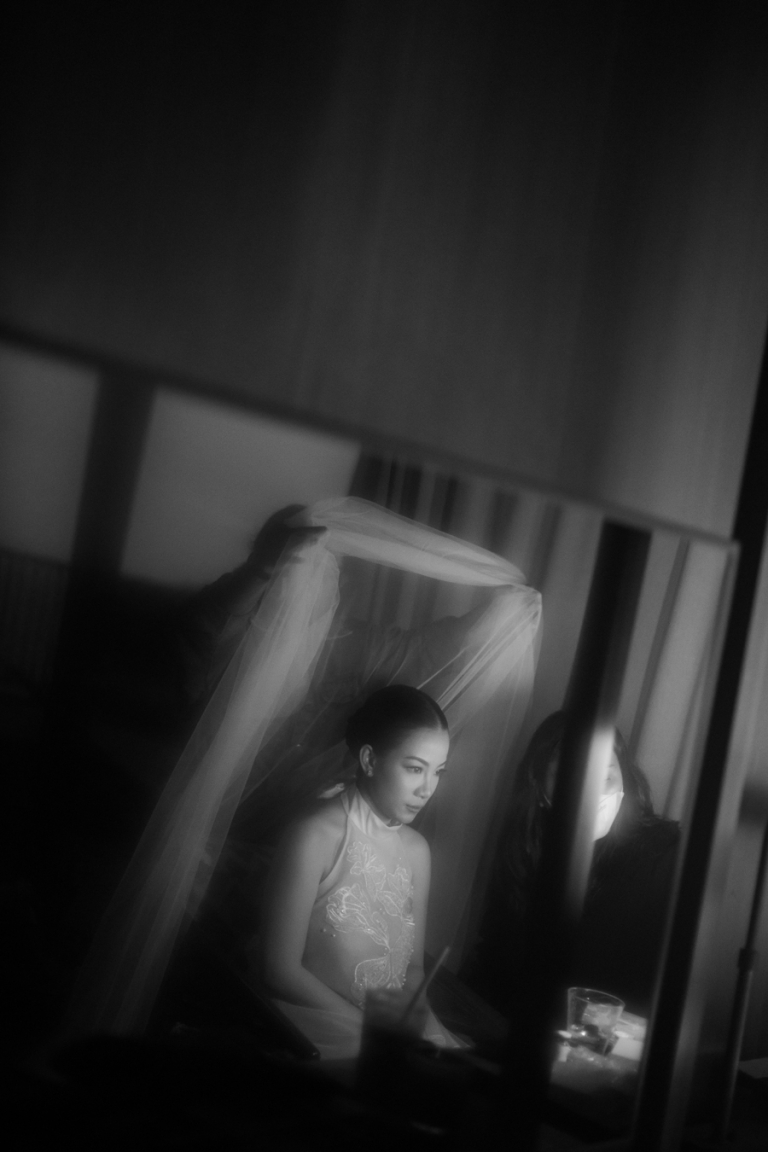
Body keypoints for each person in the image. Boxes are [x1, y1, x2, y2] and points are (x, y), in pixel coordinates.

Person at [64, 497, 541, 1041]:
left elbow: (435, 652)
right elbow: (201, 628)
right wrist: (263, 568)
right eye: (294, 579)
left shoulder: (358, 648)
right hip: (197, 830)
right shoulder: (236, 635)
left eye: (321, 578)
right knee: (159, 953)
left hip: (288, 845)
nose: (309, 595)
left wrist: (502, 615)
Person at [257, 685, 458, 1058]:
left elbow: (413, 970)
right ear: (369, 759)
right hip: (315, 1032)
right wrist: (373, 1035)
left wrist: (431, 1036)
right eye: (415, 769)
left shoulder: (417, 851)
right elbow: (278, 969)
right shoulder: (315, 835)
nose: (427, 789)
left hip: (392, 1036)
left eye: (438, 772)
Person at [463, 711, 680, 1017]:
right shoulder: (525, 852)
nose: (593, 794)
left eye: (606, 778)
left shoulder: (664, 856)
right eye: (572, 780)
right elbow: (492, 956)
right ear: (541, 790)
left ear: (625, 780)